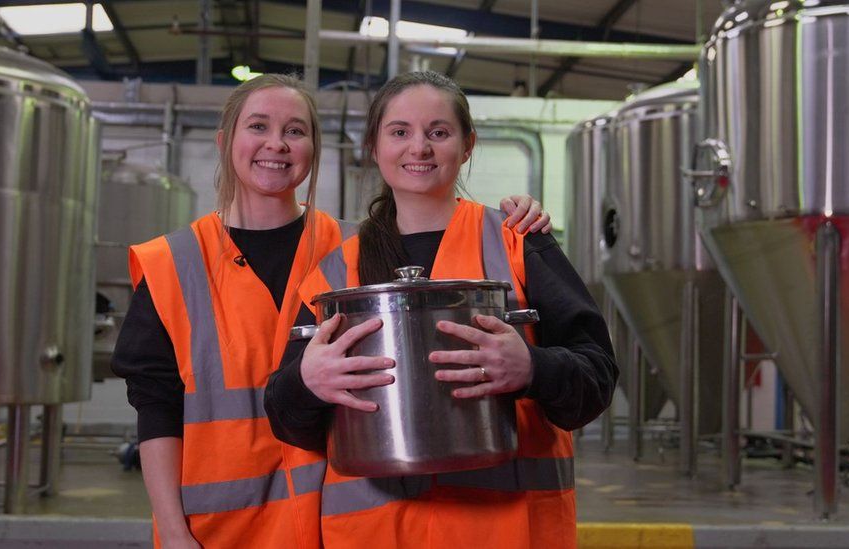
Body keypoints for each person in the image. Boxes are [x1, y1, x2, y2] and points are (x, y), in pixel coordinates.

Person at [111, 73, 555, 549]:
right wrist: (174, 531)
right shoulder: (171, 264)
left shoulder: (357, 250)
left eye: (296, 131)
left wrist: (517, 212)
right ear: (226, 142)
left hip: (335, 526)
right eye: (258, 127)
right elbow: (156, 408)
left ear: (314, 148)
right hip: (215, 532)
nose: (276, 145)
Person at [265, 71, 618, 549]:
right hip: (375, 534)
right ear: (374, 146)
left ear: (467, 145)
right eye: (399, 132)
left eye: (438, 132)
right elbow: (286, 417)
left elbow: (596, 375)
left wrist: (531, 367)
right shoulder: (337, 270)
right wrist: (308, 382)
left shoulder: (517, 244)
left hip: (504, 533)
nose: (419, 148)